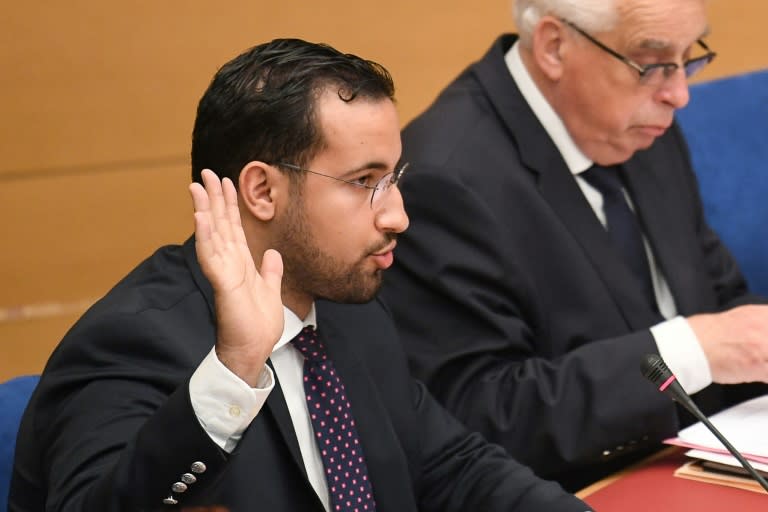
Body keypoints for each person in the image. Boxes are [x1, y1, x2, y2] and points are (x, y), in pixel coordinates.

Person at [8, 38, 592, 511]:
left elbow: (450, 466)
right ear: (263, 190)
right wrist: (233, 373)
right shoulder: (130, 342)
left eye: (395, 179)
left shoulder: (347, 311)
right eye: (365, 182)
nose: (398, 216)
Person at [380, 0, 768, 492]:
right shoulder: (445, 181)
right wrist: (695, 351)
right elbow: (480, 418)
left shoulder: (640, 123)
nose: (679, 93)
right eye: (652, 63)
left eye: (688, 57)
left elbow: (720, 300)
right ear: (554, 46)